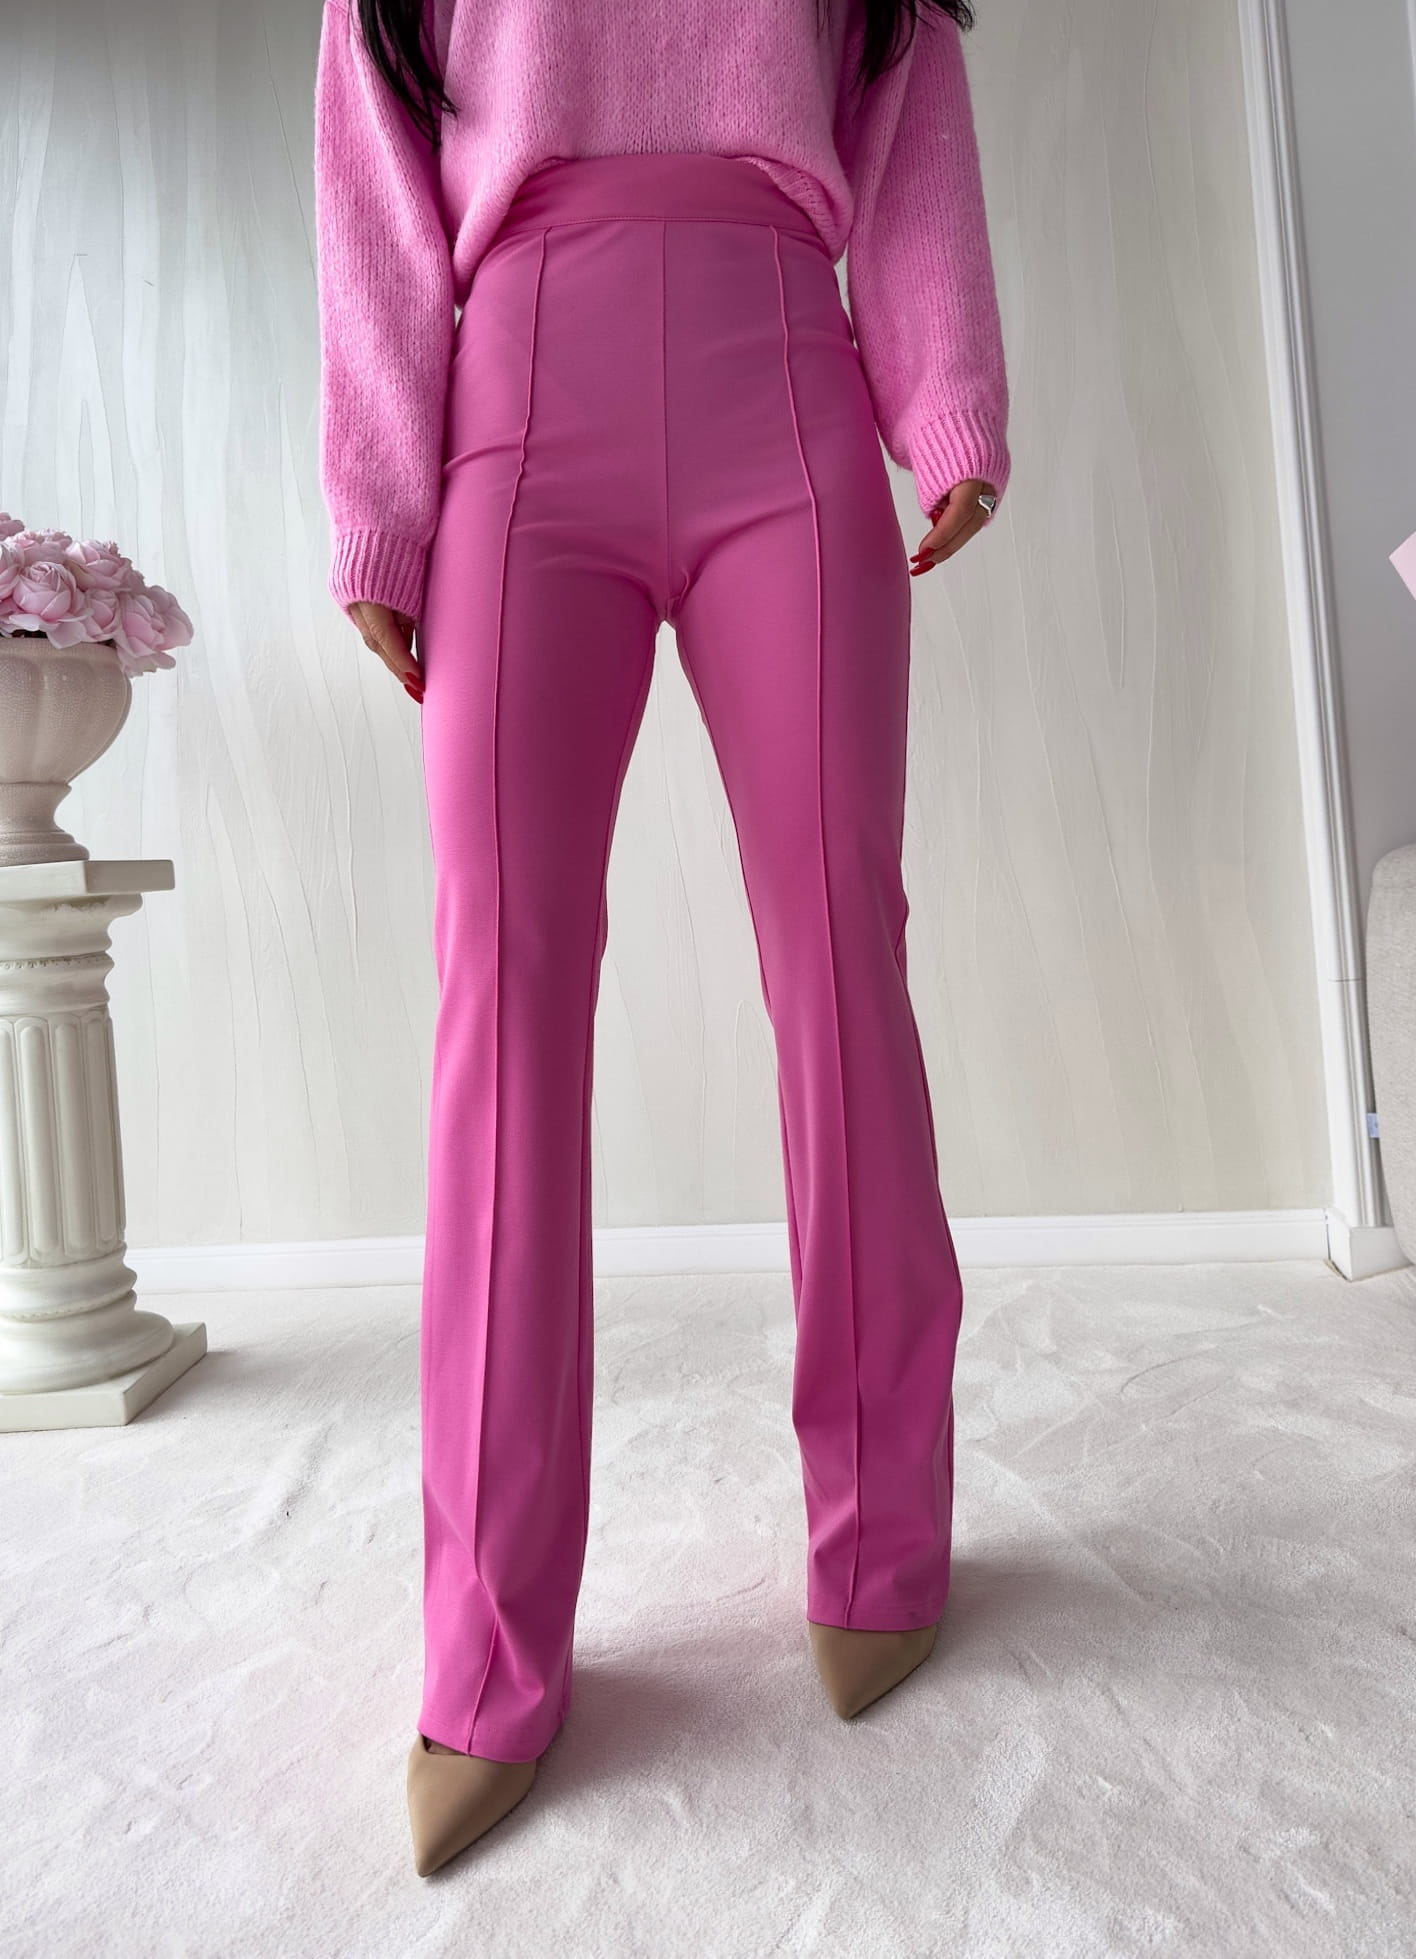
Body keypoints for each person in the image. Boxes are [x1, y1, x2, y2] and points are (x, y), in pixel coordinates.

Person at [313, 0, 1012, 1878]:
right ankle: (487, 1639)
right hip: (518, 402)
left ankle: (883, 1541)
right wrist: (378, 509)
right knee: (505, 998)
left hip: (789, 370)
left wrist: (946, 394)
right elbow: (375, 178)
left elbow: (908, 118)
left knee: (841, 961)